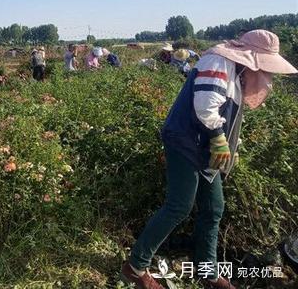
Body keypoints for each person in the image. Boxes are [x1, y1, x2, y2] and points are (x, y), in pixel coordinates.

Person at [121, 30, 297, 289]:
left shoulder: (236, 74)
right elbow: (206, 103)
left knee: (213, 207)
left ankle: (208, 271)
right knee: (179, 206)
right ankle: (135, 267)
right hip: (186, 142)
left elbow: (230, 116)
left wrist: (229, 146)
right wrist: (218, 138)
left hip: (204, 149)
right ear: (253, 57)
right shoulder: (219, 61)